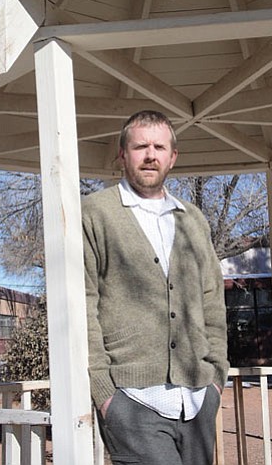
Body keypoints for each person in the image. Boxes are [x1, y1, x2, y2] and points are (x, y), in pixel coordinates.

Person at [82, 110, 229, 465]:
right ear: (122, 154)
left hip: (197, 400)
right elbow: (83, 303)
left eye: (159, 147)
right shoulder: (96, 212)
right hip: (132, 402)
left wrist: (216, 379)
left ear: (172, 157)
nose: (151, 155)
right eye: (140, 146)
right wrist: (105, 394)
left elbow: (213, 300)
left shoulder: (193, 219)